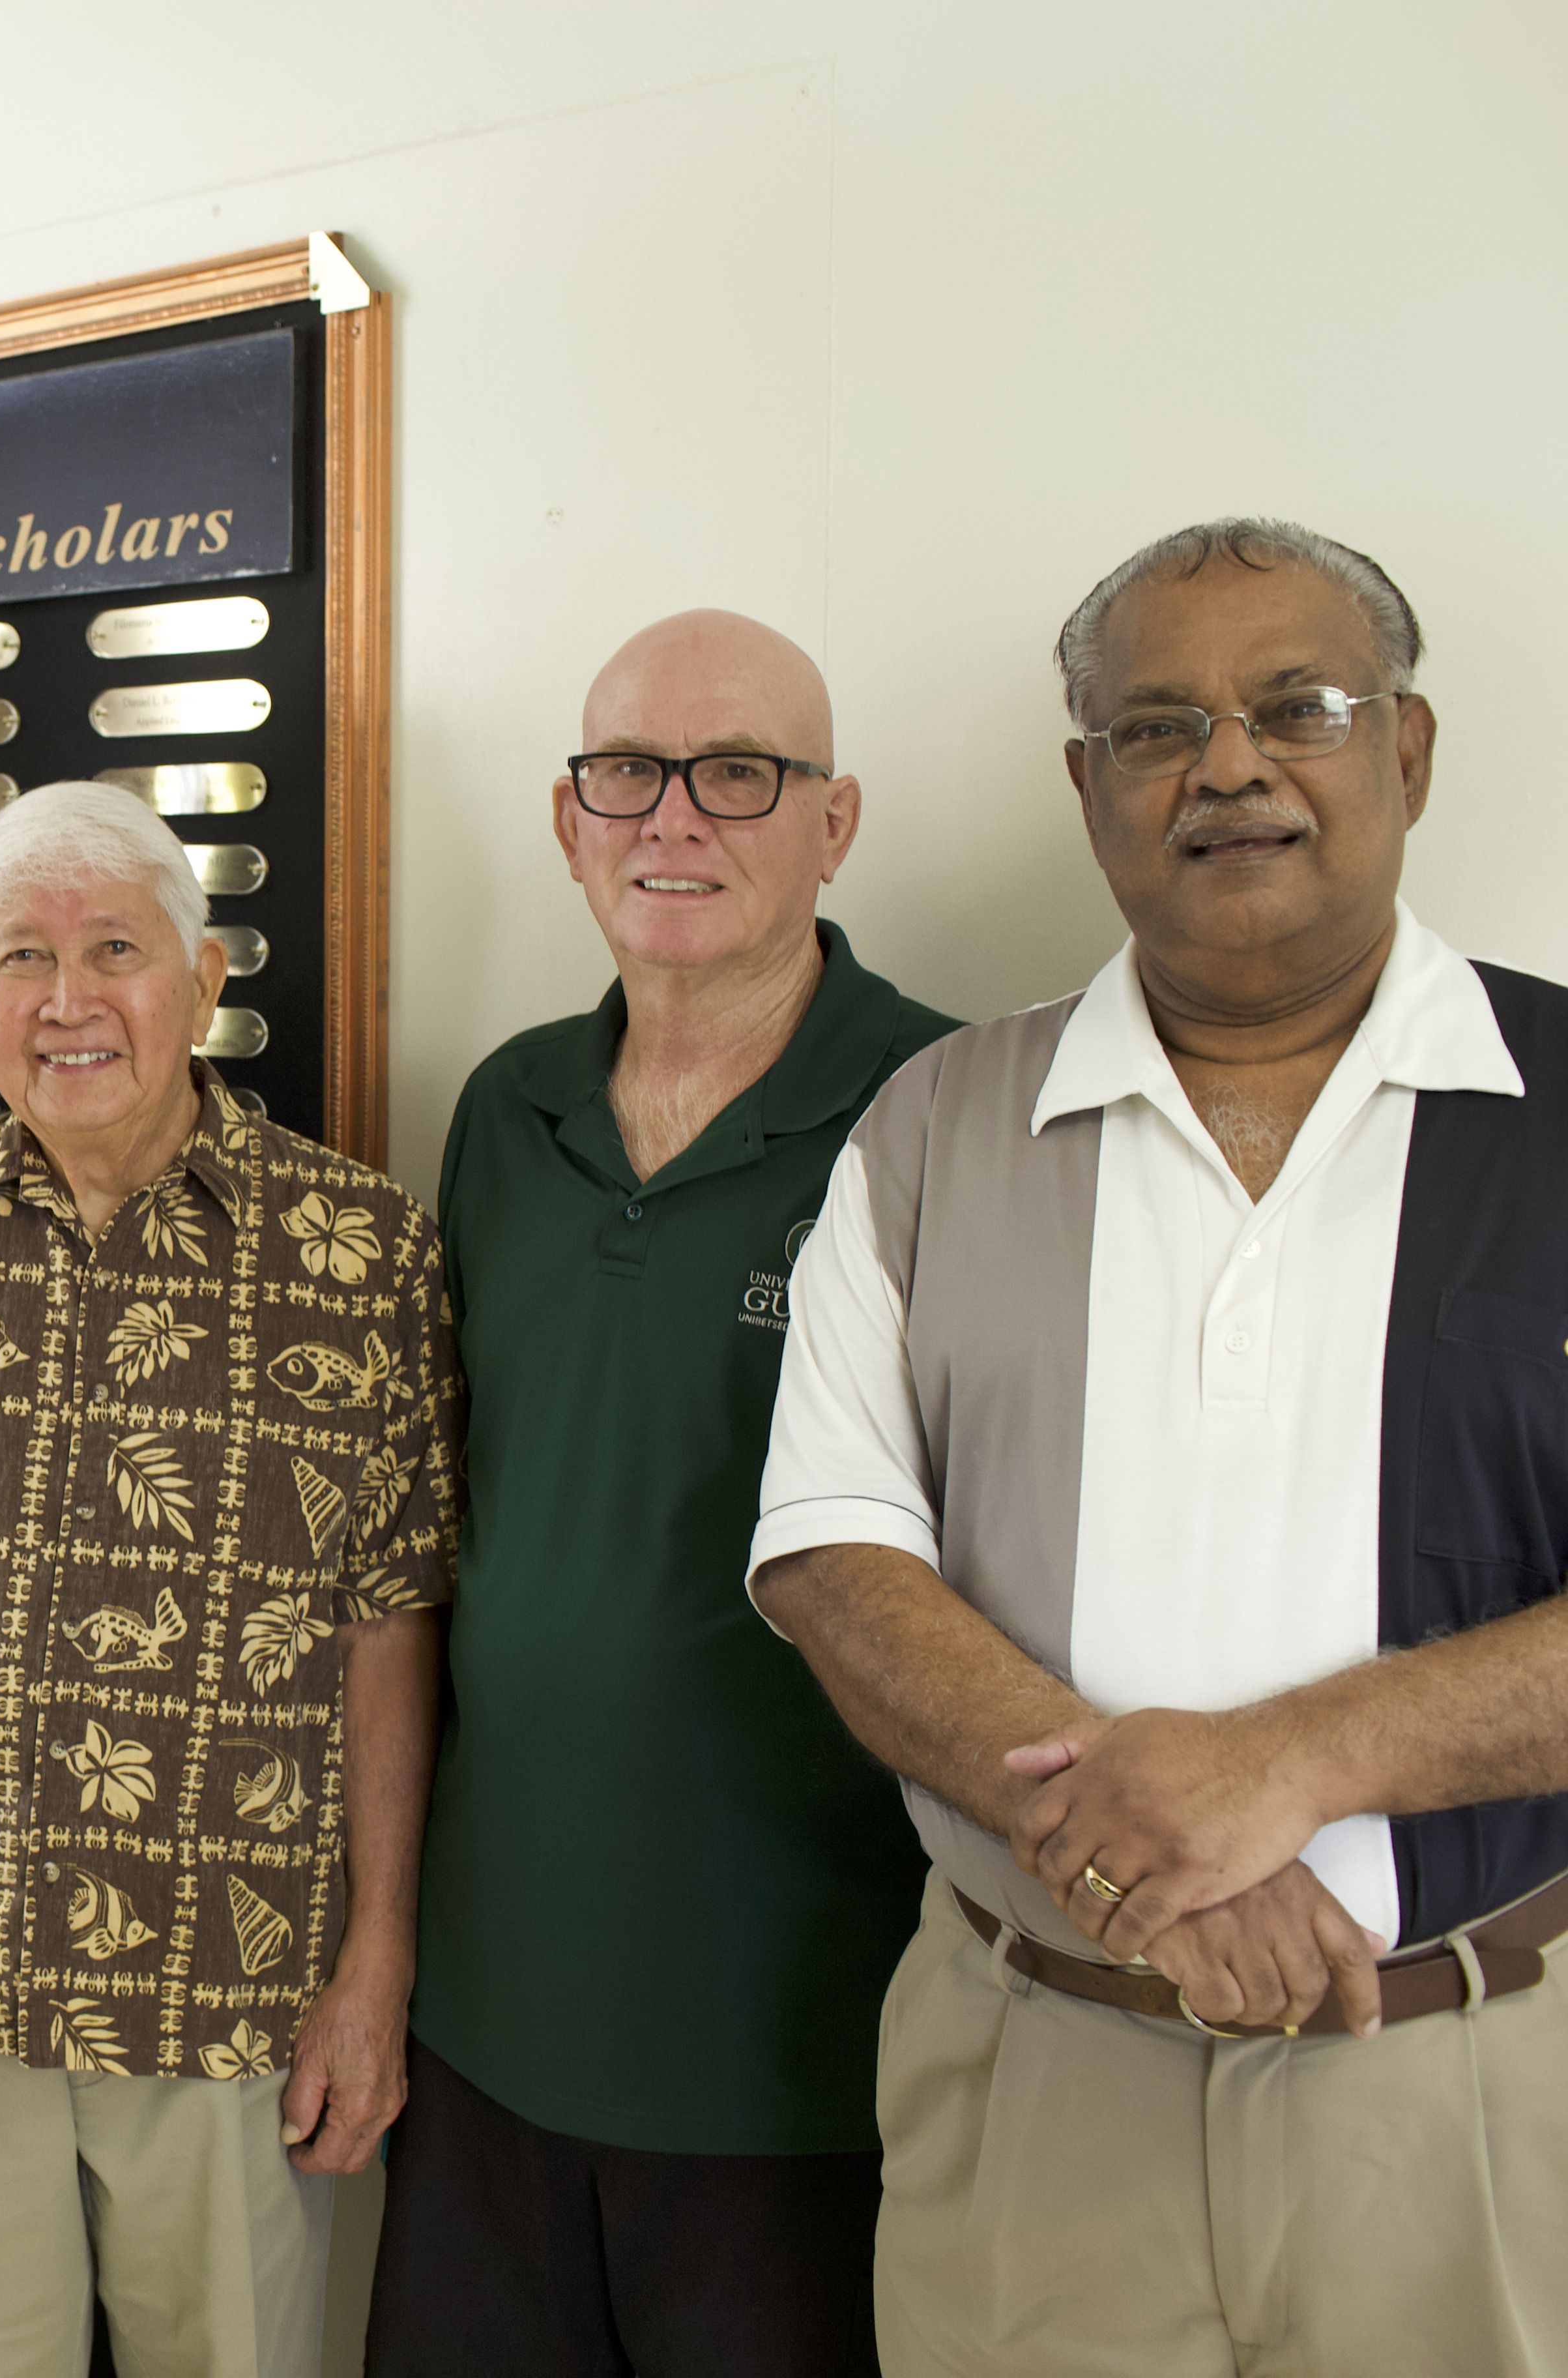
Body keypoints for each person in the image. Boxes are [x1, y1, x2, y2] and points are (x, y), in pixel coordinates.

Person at [753, 518, 1568, 2374]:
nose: (1230, 764)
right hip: (1040, 2080)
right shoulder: (935, 1125)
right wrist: (1134, 1859)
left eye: (1302, 707)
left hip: (1473, 2095)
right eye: (1157, 726)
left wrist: (1286, 1767)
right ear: (1090, 783)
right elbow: (831, 1549)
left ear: (1409, 754)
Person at [0, 782, 461, 2378]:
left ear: (201, 983)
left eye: (113, 950)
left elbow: (387, 1629)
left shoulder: (362, 1254)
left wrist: (375, 1957)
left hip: (235, 1991)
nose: (64, 1001)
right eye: (18, 958)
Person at [368, 615, 951, 2375]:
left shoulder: (942, 1107)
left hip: (793, 2035)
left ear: (834, 823)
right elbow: (442, 1512)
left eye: (740, 775)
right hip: (486, 2010)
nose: (673, 819)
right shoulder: (507, 1106)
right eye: (626, 773)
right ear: (568, 819)